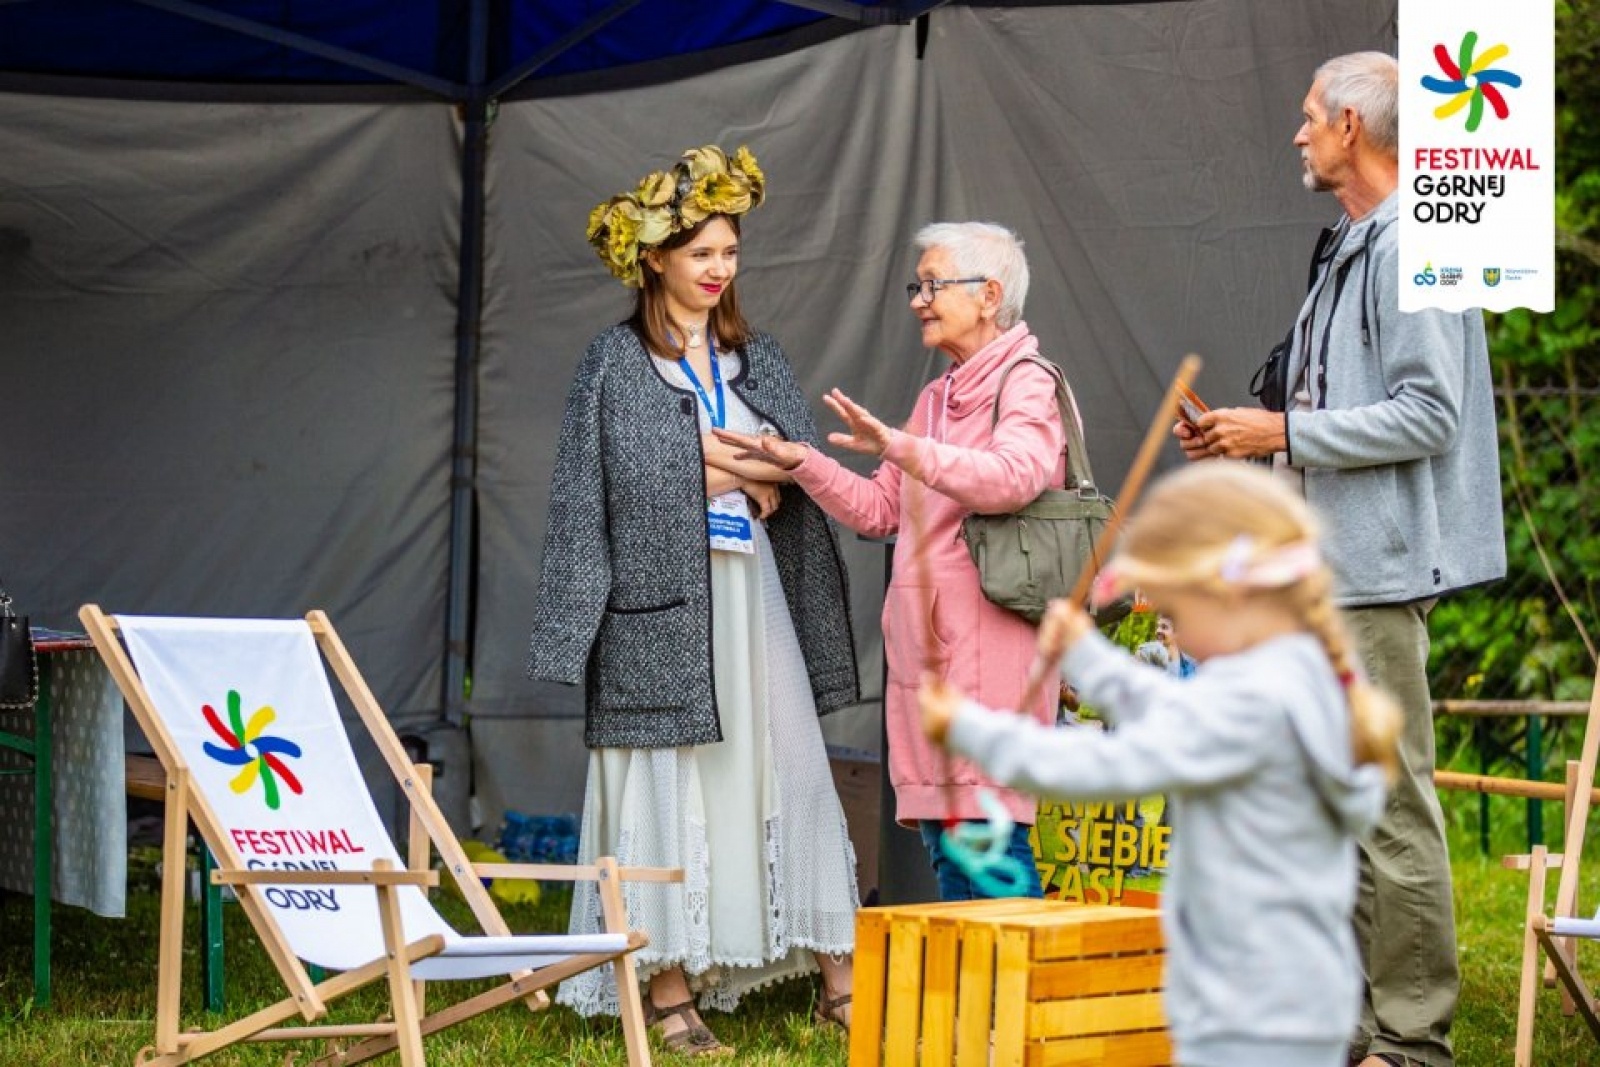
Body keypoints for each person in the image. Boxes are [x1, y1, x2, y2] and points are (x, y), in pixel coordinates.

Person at [1175, 53, 1505, 1067]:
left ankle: (1412, 1040)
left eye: (1309, 116)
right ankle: (1358, 1027)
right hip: (1329, 572)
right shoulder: (1356, 245)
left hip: (1377, 571)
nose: (1298, 133)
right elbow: (1325, 404)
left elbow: (1427, 412)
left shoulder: (1413, 246)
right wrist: (1252, 435)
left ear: (1353, 125)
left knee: (1389, 808)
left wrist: (1273, 431)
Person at [526, 144, 860, 1056]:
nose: (719, 270)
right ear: (655, 259)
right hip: (656, 607)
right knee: (665, 788)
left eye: (730, 253)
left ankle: (839, 974)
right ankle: (669, 988)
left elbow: (794, 464)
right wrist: (720, 464)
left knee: (790, 766)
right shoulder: (615, 364)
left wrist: (737, 466)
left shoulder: (758, 356)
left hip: (754, 602)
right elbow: (608, 483)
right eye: (701, 251)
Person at [921, 461, 1401, 1067]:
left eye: (1179, 604)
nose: (1175, 624)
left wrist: (971, 728)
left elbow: (1104, 762)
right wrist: (1088, 658)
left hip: (1245, 1002)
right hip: (1302, 987)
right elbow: (1171, 705)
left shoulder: (1246, 706)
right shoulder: (1297, 677)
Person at [716, 221, 1071, 901]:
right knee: (947, 842)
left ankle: (1011, 1008)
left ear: (989, 295)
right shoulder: (939, 395)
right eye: (919, 284)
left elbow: (1015, 475)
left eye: (934, 284)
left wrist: (903, 448)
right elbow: (883, 508)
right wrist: (804, 462)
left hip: (988, 653)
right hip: (930, 656)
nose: (918, 299)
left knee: (987, 843)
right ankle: (969, 1007)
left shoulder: (1028, 382)